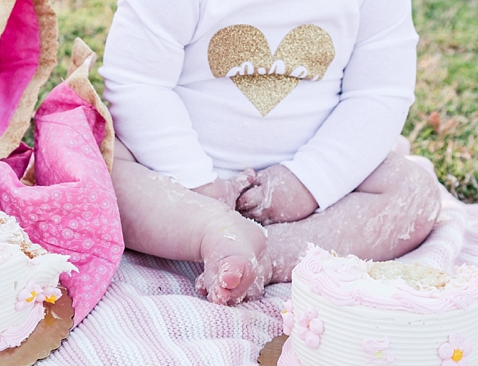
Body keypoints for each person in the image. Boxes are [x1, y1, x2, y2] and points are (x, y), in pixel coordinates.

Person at [101, 0, 441, 304]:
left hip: (313, 191)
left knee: (413, 193)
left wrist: (309, 181)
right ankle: (210, 231)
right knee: (106, 172)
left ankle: (270, 252)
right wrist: (195, 181)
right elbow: (137, 83)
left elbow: (378, 95)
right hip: (175, 185)